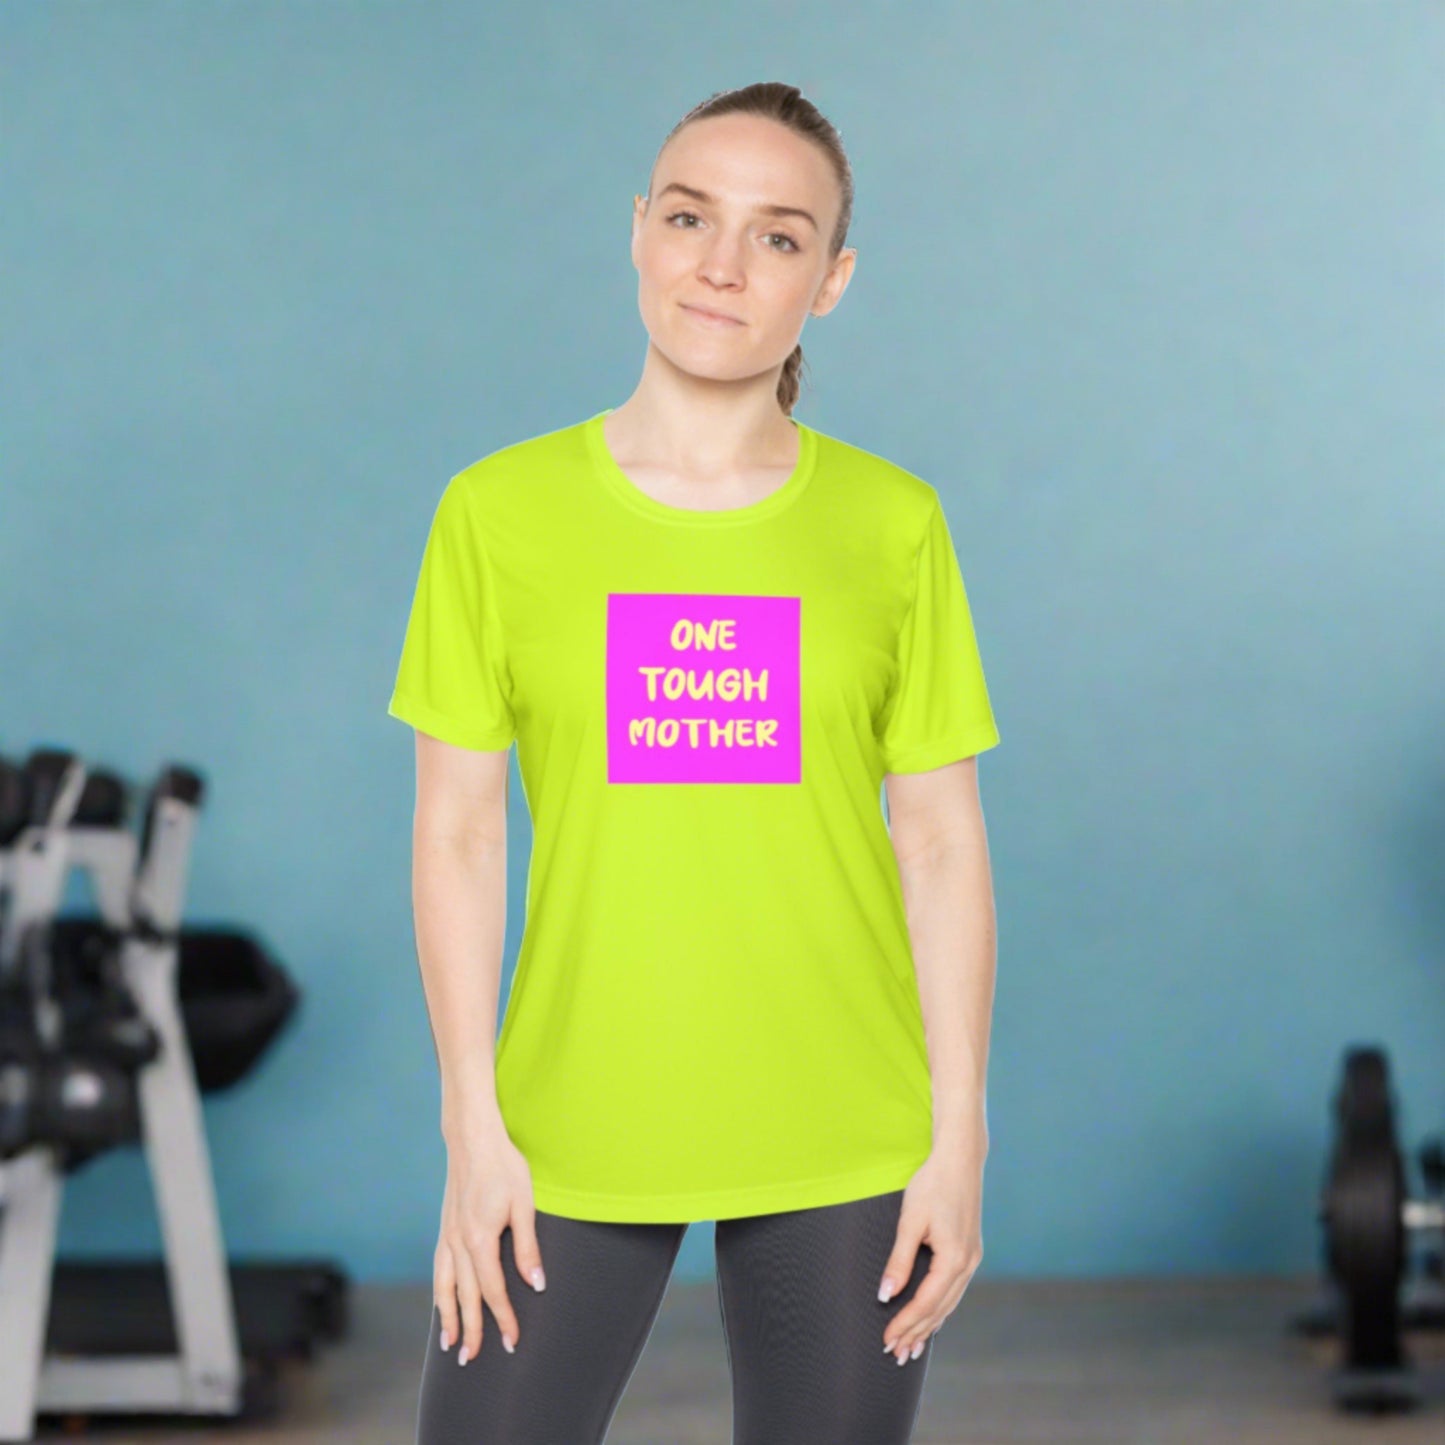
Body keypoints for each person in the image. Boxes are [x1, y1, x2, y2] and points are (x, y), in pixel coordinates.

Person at [389, 80, 1001, 1445]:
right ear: (637, 233)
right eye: (688, 216)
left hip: (845, 1122)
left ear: (829, 282)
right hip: (564, 1118)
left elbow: (943, 840)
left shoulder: (893, 525)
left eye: (777, 237)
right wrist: (471, 1126)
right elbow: (459, 833)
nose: (721, 264)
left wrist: (955, 1134)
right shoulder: (496, 512)